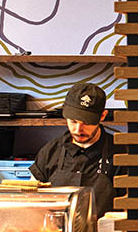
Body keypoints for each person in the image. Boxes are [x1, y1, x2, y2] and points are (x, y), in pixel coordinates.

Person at [30, 81, 116, 212]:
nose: (78, 129)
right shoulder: (50, 151)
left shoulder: (120, 153)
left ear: (102, 116)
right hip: (56, 225)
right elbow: (32, 199)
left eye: (87, 122)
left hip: (102, 225)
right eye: (73, 121)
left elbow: (130, 204)